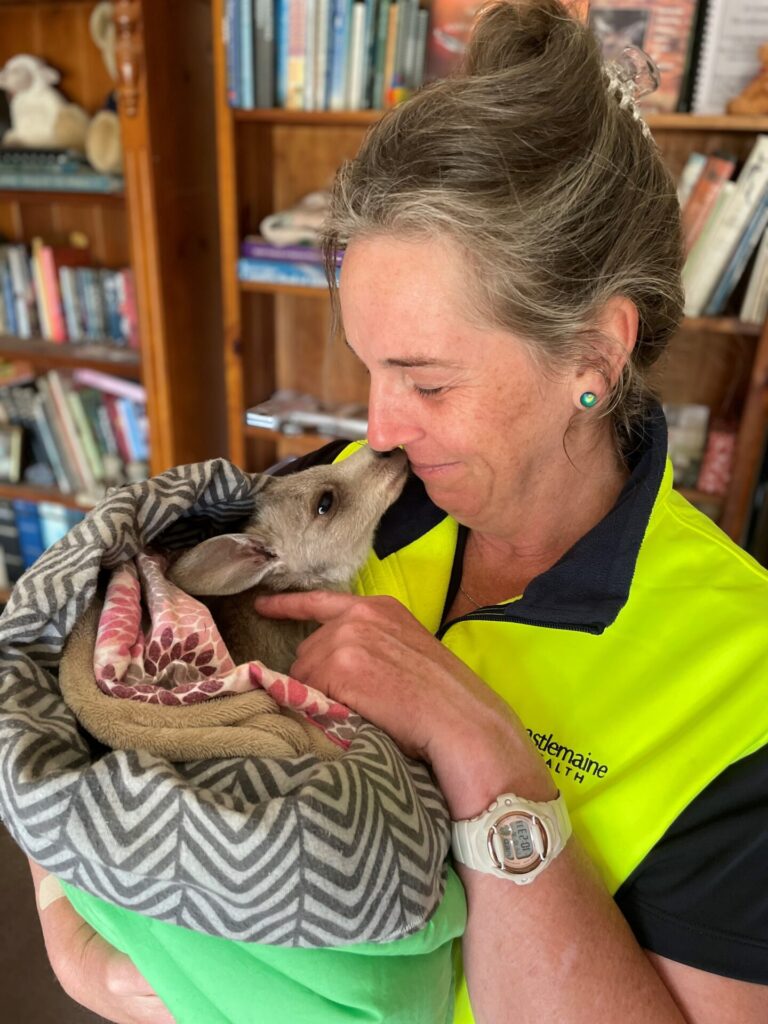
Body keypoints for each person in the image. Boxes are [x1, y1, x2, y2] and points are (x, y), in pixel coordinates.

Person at [29, 1, 768, 1022]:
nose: (374, 427)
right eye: (369, 366)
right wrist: (97, 958)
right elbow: (71, 743)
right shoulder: (329, 500)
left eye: (425, 381)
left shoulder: (745, 677)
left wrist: (487, 757)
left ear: (595, 356)